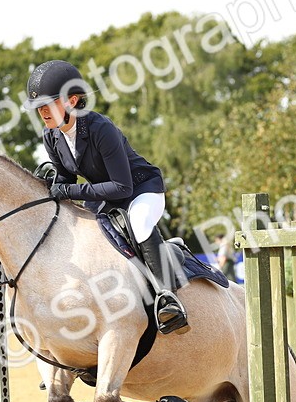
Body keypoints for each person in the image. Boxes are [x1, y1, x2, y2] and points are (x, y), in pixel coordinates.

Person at [27, 59, 189, 335]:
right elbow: (65, 179)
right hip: (104, 196)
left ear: (72, 100)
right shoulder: (51, 136)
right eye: (38, 106)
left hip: (140, 189)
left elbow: (122, 187)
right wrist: (47, 189)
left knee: (138, 222)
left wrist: (68, 191)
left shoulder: (101, 128)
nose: (42, 111)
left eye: (49, 103)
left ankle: (167, 297)